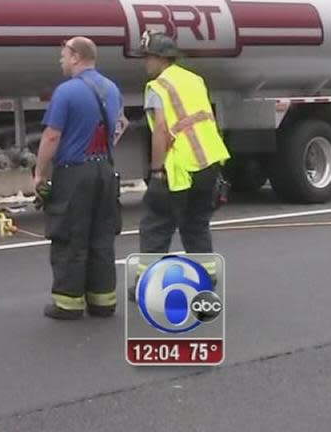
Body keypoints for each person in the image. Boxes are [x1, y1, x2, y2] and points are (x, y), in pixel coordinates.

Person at [33, 36, 123, 320]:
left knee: (70, 237)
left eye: (63, 55)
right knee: (101, 237)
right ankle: (103, 302)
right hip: (105, 171)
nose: (61, 60)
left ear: (75, 57)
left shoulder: (66, 92)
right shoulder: (111, 88)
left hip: (75, 173)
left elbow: (52, 135)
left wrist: (39, 173)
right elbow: (119, 126)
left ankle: (68, 303)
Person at [135, 32, 229, 287]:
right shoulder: (195, 80)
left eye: (147, 57)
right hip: (209, 161)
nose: (145, 63)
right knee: (196, 223)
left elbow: (162, 131)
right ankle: (206, 274)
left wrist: (156, 171)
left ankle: (148, 281)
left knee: (157, 225)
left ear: (159, 58)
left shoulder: (158, 87)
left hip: (179, 167)